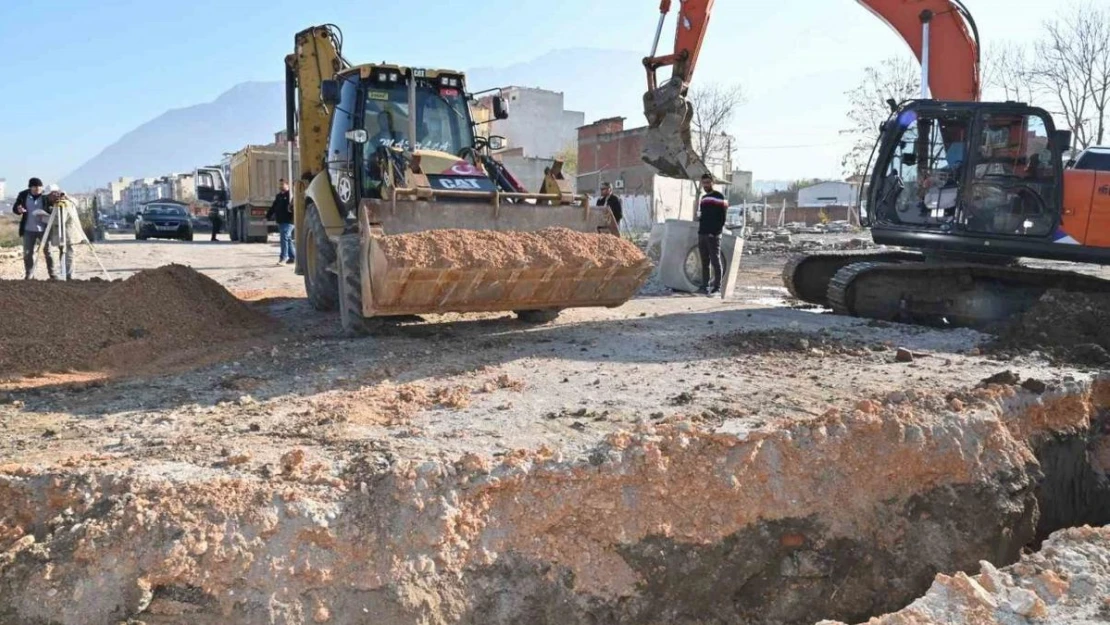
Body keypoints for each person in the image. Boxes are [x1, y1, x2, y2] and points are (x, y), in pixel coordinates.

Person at [12, 177, 58, 280]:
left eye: (39, 187)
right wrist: (18, 209)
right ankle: (29, 274)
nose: (38, 189)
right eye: (35, 187)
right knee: (28, 253)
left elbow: (53, 208)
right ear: (30, 188)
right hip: (28, 229)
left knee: (49, 252)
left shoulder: (46, 196)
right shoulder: (23, 195)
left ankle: (53, 274)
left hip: (44, 229)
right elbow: (15, 208)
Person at [696, 173, 727, 296]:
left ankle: (717, 287)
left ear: (713, 183)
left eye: (708, 182)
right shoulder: (703, 198)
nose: (706, 185)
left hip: (713, 235)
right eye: (704, 183)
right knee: (704, 262)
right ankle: (705, 286)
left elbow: (722, 217)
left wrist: (715, 233)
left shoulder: (719, 196)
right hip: (702, 233)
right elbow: (703, 216)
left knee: (715, 260)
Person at [267, 179, 295, 265]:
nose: (280, 186)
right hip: (281, 221)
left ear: (287, 185)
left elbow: (294, 207)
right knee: (288, 239)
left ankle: (283, 258)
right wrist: (267, 217)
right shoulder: (278, 196)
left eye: (282, 185)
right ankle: (293, 257)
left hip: (289, 221)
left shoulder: (291, 195)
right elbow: (273, 207)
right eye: (280, 185)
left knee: (284, 238)